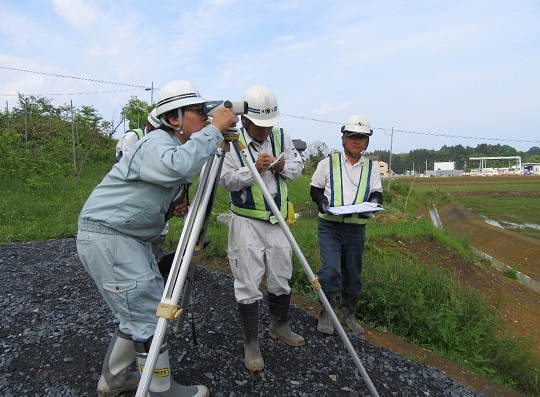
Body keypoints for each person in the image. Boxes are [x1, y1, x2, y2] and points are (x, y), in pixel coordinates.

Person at [76, 79, 237, 397]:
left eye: (207, 113)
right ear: (174, 119)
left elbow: (156, 185)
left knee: (136, 308)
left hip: (124, 238)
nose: (205, 116)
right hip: (112, 238)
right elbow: (178, 166)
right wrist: (216, 129)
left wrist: (170, 206)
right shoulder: (157, 143)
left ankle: (116, 377)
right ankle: (160, 389)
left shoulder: (172, 146)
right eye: (197, 111)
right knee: (148, 312)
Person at [219, 84, 304, 372]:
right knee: (248, 282)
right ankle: (251, 342)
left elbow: (298, 166)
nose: (265, 132)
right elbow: (226, 179)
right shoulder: (231, 140)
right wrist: (254, 169)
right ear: (245, 120)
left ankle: (280, 325)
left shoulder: (281, 136)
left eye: (269, 126)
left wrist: (280, 167)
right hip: (246, 222)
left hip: (277, 220)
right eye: (259, 127)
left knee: (282, 274)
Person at [310, 114, 383, 336]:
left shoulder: (371, 168)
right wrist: (322, 203)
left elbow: (377, 193)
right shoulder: (327, 163)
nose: (357, 141)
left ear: (367, 141)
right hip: (330, 226)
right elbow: (315, 189)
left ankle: (348, 314)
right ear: (343, 138)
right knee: (330, 269)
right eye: (352, 136)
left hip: (356, 229)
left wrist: (375, 203)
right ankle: (326, 313)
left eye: (362, 137)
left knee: (353, 273)